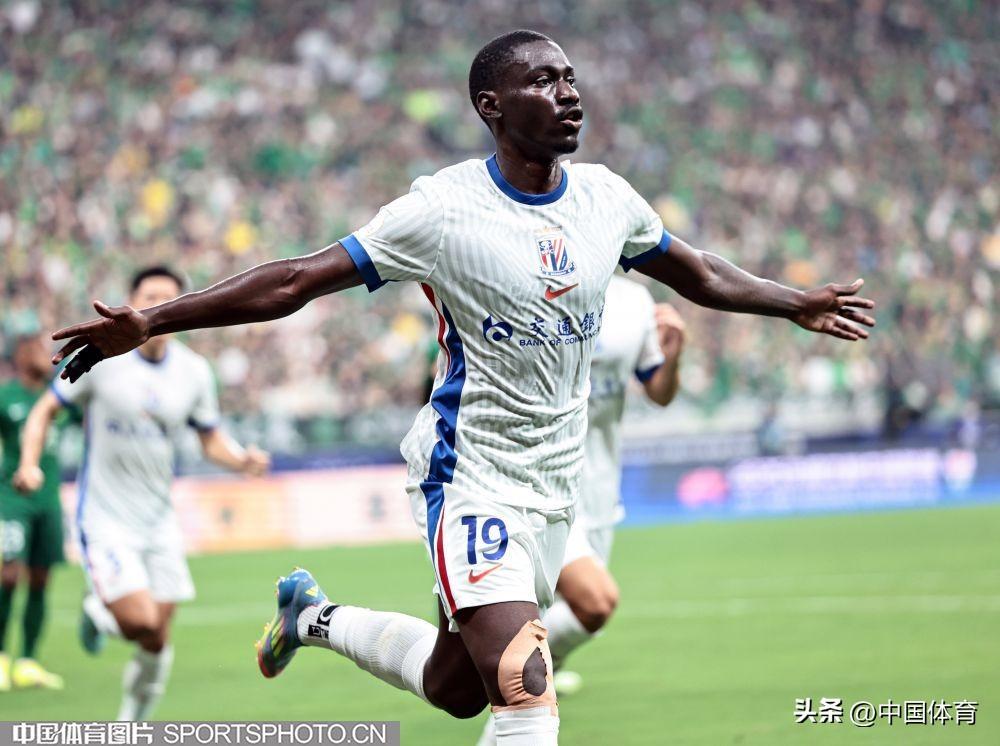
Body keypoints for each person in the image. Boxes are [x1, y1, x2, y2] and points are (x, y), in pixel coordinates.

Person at [46, 30, 875, 744]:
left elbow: (696, 271)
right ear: (491, 105)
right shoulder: (441, 211)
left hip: (556, 487)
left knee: (456, 688)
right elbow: (296, 279)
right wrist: (153, 322)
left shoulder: (607, 199)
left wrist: (791, 301)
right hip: (470, 476)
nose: (569, 94)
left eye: (571, 78)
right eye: (543, 81)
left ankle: (313, 618)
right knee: (524, 689)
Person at [14, 266, 270, 721]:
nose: (158, 304)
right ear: (131, 303)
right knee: (140, 621)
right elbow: (45, 410)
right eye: (149, 296)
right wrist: (29, 463)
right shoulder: (102, 359)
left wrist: (241, 461)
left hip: (159, 520)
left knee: (157, 638)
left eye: (167, 297)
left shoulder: (194, 371)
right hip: (105, 517)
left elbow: (210, 439)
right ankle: (99, 610)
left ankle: (130, 725)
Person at [478, 279, 685, 743]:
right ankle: (501, 663)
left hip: (599, 493)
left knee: (570, 621)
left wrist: (674, 354)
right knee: (596, 602)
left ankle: (513, 676)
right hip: (538, 482)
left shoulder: (634, 301)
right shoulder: (532, 284)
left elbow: (659, 391)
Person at [0, 333, 72, 691]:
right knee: (9, 575)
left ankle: (28, 661)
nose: (46, 356)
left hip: (49, 500)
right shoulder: (6, 397)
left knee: (41, 579)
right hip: (13, 498)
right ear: (21, 356)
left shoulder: (59, 397)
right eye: (37, 350)